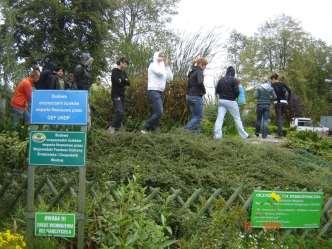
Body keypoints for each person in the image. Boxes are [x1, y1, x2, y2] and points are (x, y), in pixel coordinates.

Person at [141, 51, 173, 133]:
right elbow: (160, 73)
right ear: (156, 57)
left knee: (154, 112)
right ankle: (145, 127)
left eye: (163, 57)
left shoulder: (163, 67)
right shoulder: (152, 65)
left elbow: (170, 78)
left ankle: (151, 130)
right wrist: (162, 63)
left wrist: (167, 66)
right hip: (153, 91)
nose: (163, 58)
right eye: (160, 56)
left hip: (161, 91)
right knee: (159, 112)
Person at [214, 66, 249, 139]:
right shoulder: (234, 80)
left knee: (219, 118)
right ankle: (244, 136)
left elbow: (217, 91)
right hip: (231, 101)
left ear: (227, 72)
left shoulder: (221, 80)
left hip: (221, 101)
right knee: (237, 118)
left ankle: (217, 136)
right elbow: (237, 92)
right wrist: (234, 97)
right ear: (233, 73)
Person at [184, 57, 208, 132]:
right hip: (196, 96)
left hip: (189, 96)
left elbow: (189, 83)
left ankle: (195, 134)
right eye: (205, 65)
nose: (205, 67)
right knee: (198, 116)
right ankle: (184, 131)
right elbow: (200, 82)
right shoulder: (199, 71)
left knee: (194, 116)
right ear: (201, 64)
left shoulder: (192, 72)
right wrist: (204, 91)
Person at [107, 57, 130, 134]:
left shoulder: (124, 73)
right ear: (121, 63)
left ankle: (118, 128)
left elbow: (128, 83)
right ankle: (112, 128)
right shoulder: (114, 71)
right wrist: (124, 80)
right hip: (116, 95)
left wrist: (123, 80)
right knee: (120, 111)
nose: (126, 65)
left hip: (122, 95)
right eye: (125, 64)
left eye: (127, 64)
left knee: (121, 113)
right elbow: (117, 81)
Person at [270, 73, 291, 138]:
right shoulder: (282, 84)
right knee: (281, 118)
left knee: (278, 118)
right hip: (284, 102)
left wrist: (275, 100)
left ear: (273, 78)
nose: (271, 81)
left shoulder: (273, 85)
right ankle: (280, 133)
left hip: (278, 103)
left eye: (271, 80)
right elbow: (289, 91)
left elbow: (274, 93)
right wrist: (288, 100)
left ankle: (280, 134)